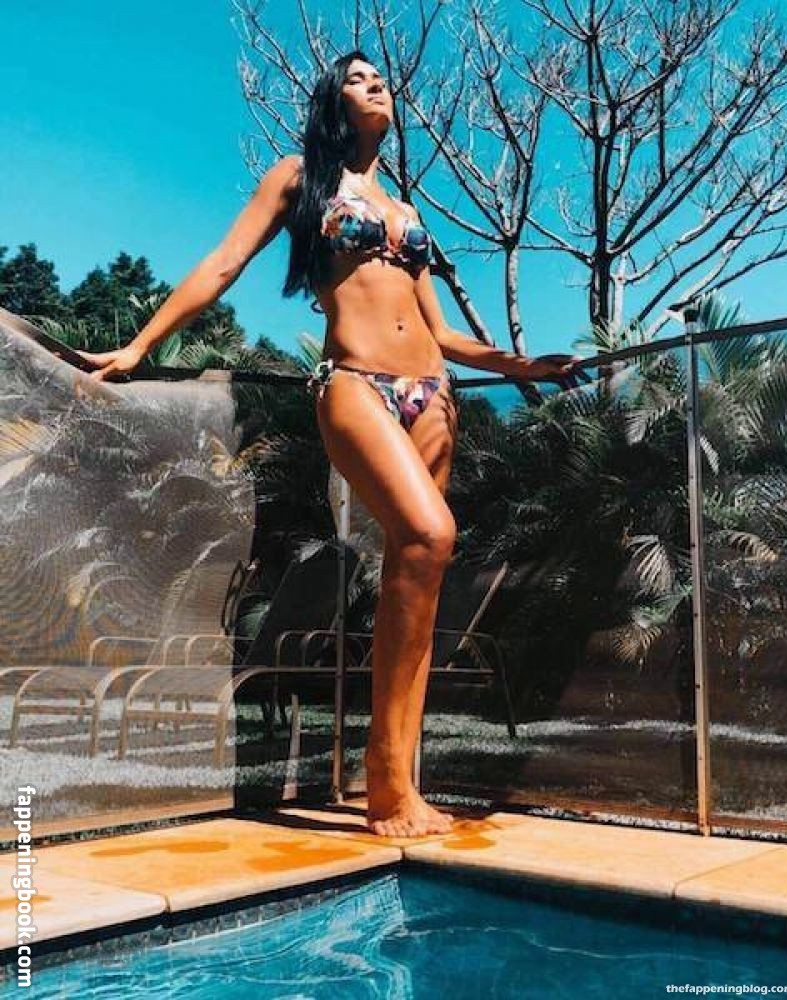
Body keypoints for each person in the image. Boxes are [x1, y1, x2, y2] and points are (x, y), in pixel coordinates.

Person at [78, 50, 584, 838]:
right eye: (358, 77)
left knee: (417, 578)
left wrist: (519, 365)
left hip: (432, 395)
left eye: (381, 78)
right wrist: (141, 345)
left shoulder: (406, 208)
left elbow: (443, 331)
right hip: (354, 385)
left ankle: (401, 781)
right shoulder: (299, 178)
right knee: (430, 534)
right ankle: (383, 774)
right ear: (332, 102)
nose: (377, 84)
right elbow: (224, 263)